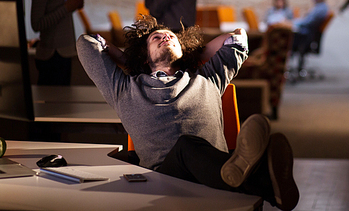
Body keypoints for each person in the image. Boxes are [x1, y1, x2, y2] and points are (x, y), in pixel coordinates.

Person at [76, 15, 299, 210]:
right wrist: (130, 61)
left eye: (171, 37)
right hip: (165, 179)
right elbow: (86, 43)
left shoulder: (208, 77)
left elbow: (238, 38)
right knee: (185, 146)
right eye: (156, 38)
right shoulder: (124, 88)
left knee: (191, 147)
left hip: (211, 173)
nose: (166, 37)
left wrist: (190, 53)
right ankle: (265, 184)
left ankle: (247, 176)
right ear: (144, 56)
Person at [289, 0, 329, 74]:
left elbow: (307, 22)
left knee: (287, 38)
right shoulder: (318, 7)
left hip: (306, 36)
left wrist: (292, 23)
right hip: (306, 34)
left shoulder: (321, 9)